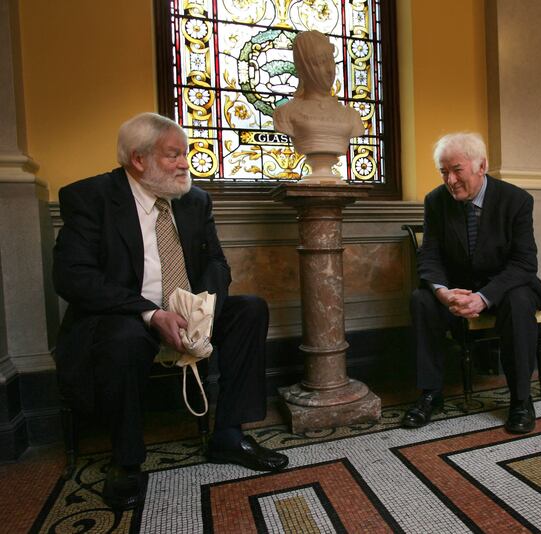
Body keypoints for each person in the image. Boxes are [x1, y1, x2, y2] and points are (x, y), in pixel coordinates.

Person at [53, 112, 288, 511]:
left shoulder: (194, 200)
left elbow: (216, 261)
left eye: (186, 154)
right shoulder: (90, 198)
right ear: (137, 159)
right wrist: (150, 313)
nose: (184, 164)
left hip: (186, 309)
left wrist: (205, 309)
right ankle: (126, 460)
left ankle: (229, 434)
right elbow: (73, 277)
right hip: (125, 315)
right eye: (172, 155)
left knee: (250, 310)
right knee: (123, 338)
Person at [402, 132, 541, 434]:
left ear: (481, 166)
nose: (450, 180)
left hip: (503, 288)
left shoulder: (517, 200)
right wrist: (443, 293)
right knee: (421, 299)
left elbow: (524, 263)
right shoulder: (435, 201)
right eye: (444, 171)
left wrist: (484, 297)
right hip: (457, 289)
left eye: (457, 170)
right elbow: (429, 255)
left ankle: (521, 399)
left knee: (521, 299)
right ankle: (431, 394)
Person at [273, 30, 363, 171]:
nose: (329, 70)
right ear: (303, 68)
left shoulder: (352, 116)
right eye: (320, 62)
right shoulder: (285, 114)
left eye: (330, 60)